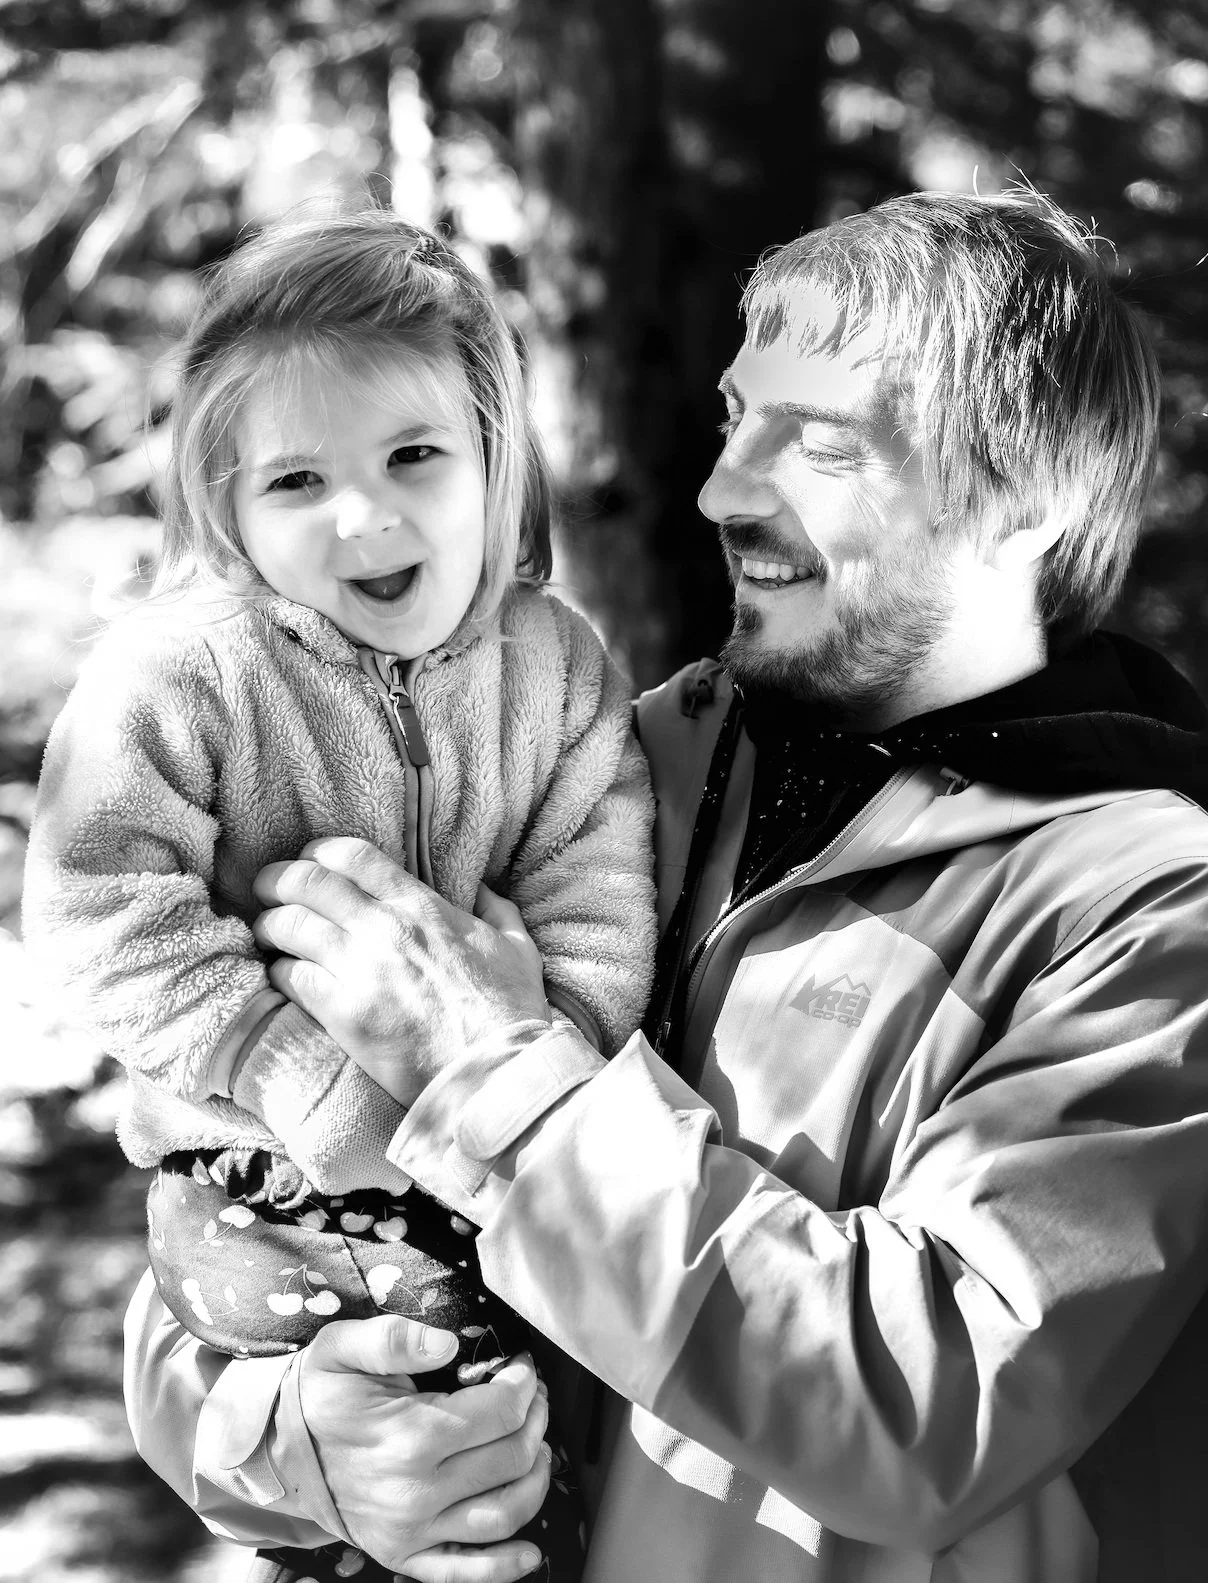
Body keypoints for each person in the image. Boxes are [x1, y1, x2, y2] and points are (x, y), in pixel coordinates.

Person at [123, 189, 1208, 1582]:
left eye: (821, 442)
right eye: (735, 418)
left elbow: (933, 1401)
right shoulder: (604, 767)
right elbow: (217, 1211)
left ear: (1026, 498)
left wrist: (498, 1075)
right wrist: (299, 1445)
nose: (722, 490)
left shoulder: (1146, 905)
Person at [23, 207, 657, 1583]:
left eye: (414, 456)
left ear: (494, 459)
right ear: (228, 507)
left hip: (490, 1172)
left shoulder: (556, 667)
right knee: (471, 1444)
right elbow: (100, 911)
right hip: (264, 1188)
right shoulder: (185, 672)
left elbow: (597, 887)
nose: (365, 516)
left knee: (548, 1439)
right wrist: (305, 1079)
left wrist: (540, 1046)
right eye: (298, 479)